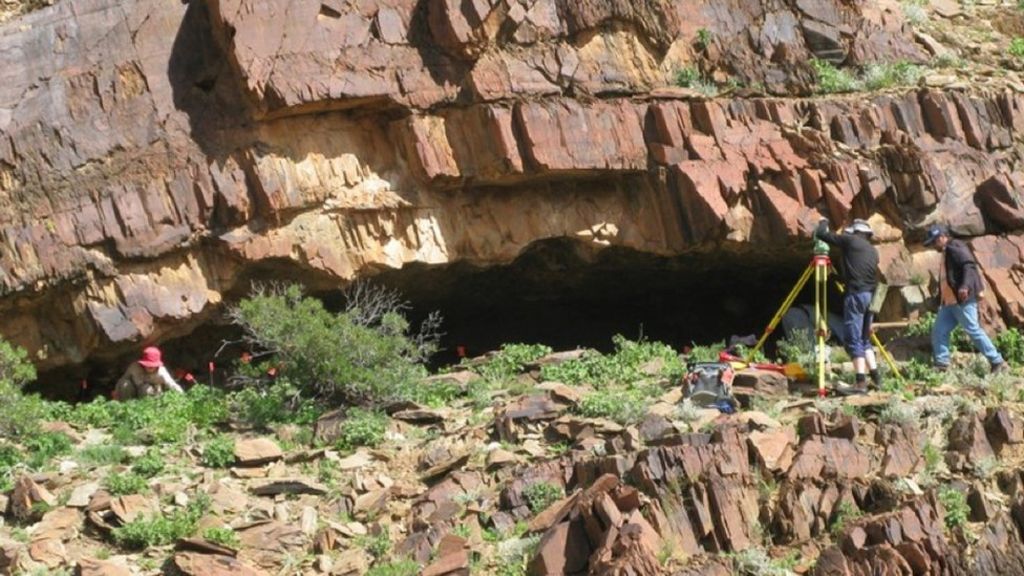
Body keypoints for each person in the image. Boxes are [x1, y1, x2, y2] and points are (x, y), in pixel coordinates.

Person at [922, 224, 1009, 374]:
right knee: (939, 331)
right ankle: (942, 364)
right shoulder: (946, 253)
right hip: (949, 303)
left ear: (942, 237)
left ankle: (998, 362)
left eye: (934, 241)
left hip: (962, 300)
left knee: (973, 330)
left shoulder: (954, 246)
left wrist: (965, 286)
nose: (933, 246)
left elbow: (968, 265)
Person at [814, 218, 882, 394]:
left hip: (857, 296)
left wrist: (823, 221)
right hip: (871, 297)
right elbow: (860, 272)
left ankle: (860, 383)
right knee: (864, 339)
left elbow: (822, 234)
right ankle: (877, 379)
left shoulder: (850, 241)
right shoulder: (873, 251)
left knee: (853, 339)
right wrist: (838, 279)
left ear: (856, 232)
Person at [113, 346, 183, 400]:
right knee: (125, 384)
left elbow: (172, 384)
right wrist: (116, 392)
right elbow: (123, 379)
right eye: (148, 364)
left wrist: (183, 396)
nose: (150, 367)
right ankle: (125, 406)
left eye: (153, 365)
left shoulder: (162, 372)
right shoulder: (134, 367)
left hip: (151, 393)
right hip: (133, 391)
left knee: (145, 389)